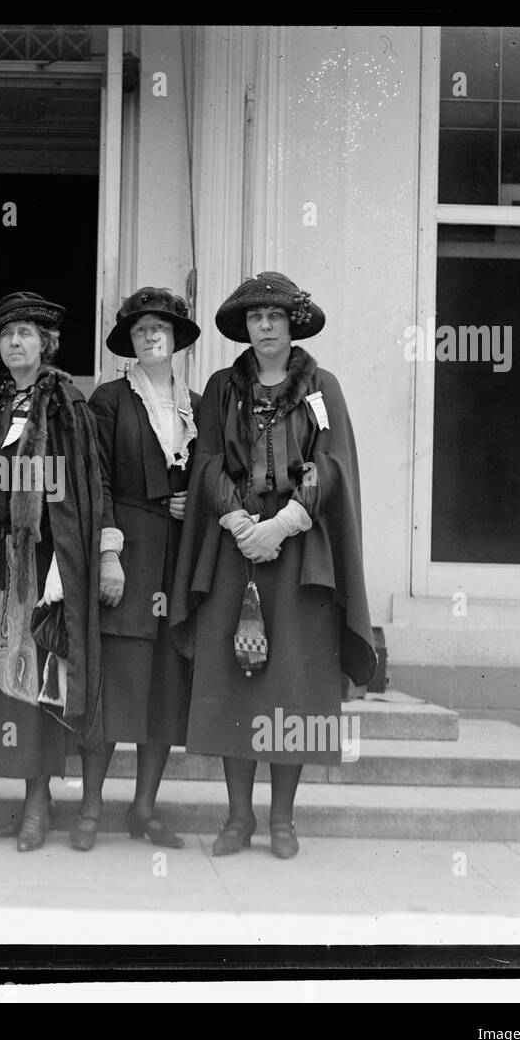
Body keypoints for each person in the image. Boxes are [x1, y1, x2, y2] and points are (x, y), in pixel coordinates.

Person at [170, 272, 376, 858]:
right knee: (236, 682)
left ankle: (283, 820)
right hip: (234, 550)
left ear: (291, 326)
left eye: (275, 318)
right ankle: (238, 819)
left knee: (291, 682)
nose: (264, 326)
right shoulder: (221, 387)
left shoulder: (321, 387)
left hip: (299, 551)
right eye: (255, 318)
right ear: (246, 328)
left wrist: (285, 522)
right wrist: (239, 522)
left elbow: (331, 463)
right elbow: (207, 460)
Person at [0, 291, 114, 852]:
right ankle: (31, 798)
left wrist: (100, 553)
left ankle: (37, 803)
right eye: (6, 336)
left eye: (25, 334)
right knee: (7, 683)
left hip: (46, 561)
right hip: (0, 560)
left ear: (45, 344)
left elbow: (91, 484)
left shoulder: (65, 403)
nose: (15, 344)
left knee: (39, 683)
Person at [83, 288, 201, 851]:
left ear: (177, 340)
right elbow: (97, 481)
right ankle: (89, 808)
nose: (152, 337)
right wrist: (108, 553)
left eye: (162, 328)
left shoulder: (198, 404)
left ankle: (145, 809)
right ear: (128, 342)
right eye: (140, 330)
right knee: (115, 681)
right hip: (127, 549)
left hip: (176, 555)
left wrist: (191, 500)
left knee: (163, 682)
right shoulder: (108, 399)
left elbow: (212, 474)